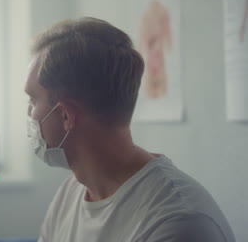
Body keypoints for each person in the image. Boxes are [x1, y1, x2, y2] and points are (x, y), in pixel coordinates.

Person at [25, 17, 235, 242]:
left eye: (33, 100)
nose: (29, 113)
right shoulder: (71, 191)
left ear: (66, 115)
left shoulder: (178, 223)